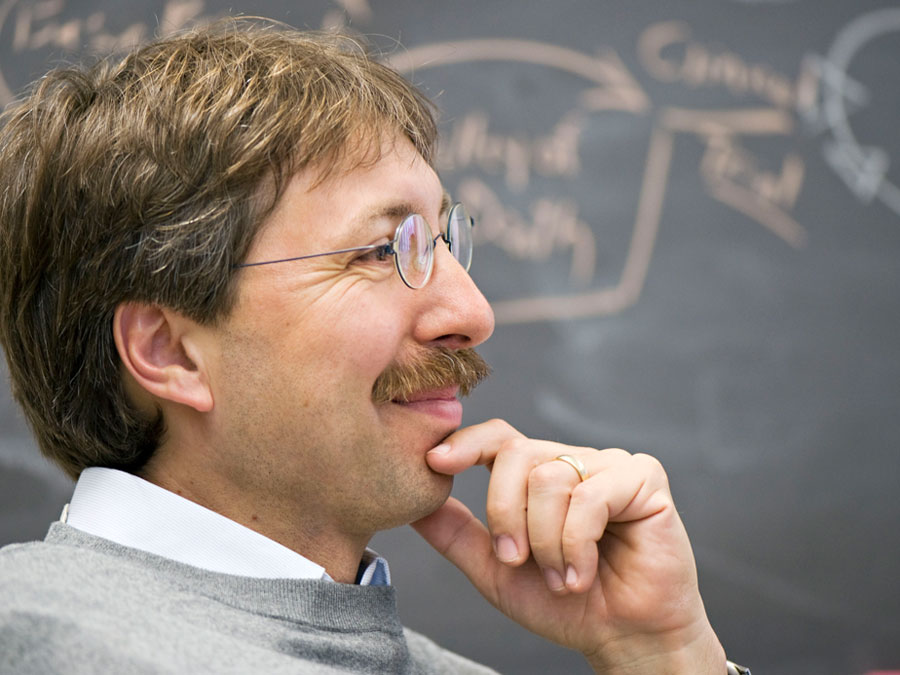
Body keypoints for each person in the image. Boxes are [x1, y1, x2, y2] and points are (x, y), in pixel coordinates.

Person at [0, 18, 747, 674]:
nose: (473, 312)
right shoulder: (31, 637)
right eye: (381, 252)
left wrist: (665, 656)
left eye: (446, 241)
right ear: (170, 352)